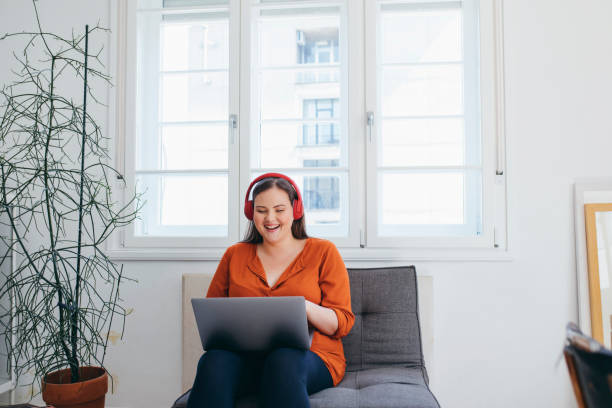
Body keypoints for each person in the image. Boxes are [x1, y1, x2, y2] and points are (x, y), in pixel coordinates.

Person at [186, 173, 354, 408]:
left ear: (295, 211)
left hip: (310, 360)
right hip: (245, 358)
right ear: (250, 212)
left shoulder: (324, 252)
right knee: (213, 361)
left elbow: (342, 322)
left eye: (279, 209)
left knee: (282, 361)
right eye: (261, 210)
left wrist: (303, 307)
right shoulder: (234, 255)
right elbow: (214, 318)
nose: (270, 218)